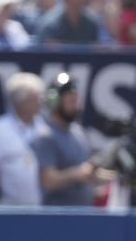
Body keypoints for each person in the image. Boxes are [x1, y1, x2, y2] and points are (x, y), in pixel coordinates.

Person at [30, 73, 114, 205]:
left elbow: (88, 174)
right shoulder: (46, 137)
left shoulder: (79, 133)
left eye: (76, 101)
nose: (76, 106)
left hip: (84, 215)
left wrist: (114, 177)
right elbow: (48, 181)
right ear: (54, 103)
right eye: (71, 101)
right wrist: (76, 173)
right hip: (57, 218)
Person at [0, 72, 49, 205]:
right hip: (11, 211)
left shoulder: (46, 127)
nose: (40, 102)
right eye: (35, 98)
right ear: (21, 102)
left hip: (46, 210)